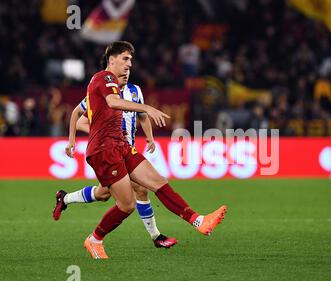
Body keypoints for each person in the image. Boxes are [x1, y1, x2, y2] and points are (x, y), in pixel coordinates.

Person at [58, 41, 227, 259]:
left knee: (158, 182)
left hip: (121, 145)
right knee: (126, 204)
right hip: (104, 150)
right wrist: (146, 107)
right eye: (125, 59)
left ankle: (198, 221)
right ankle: (94, 239)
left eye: (131, 60)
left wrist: (147, 133)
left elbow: (108, 106)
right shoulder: (104, 78)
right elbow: (112, 102)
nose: (130, 64)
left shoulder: (120, 87)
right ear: (112, 59)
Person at [53, 69, 178, 249]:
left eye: (128, 68)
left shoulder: (135, 91)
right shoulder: (103, 91)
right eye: (122, 68)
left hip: (127, 150)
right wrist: (80, 138)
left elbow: (142, 115)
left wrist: (150, 137)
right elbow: (77, 116)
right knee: (140, 189)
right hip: (110, 152)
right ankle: (156, 236)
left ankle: (64, 198)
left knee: (103, 194)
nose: (125, 73)